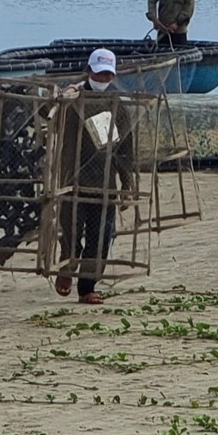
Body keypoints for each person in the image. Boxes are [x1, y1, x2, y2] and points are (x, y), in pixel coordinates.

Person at [50, 48, 132, 304]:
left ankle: (87, 287)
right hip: (72, 179)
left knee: (100, 238)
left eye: (108, 75)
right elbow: (46, 115)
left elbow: (126, 146)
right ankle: (66, 269)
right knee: (71, 233)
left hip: (104, 180)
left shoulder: (117, 103)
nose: (103, 79)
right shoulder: (72, 97)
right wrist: (61, 97)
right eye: (99, 74)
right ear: (88, 72)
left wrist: (127, 182)